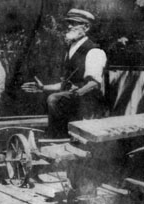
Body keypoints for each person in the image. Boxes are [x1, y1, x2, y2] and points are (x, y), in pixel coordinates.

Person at [22, 8, 107, 138]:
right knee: (52, 98)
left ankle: (60, 138)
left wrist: (77, 92)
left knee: (54, 99)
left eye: (73, 23)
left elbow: (94, 84)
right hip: (74, 100)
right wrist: (43, 88)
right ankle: (57, 137)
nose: (68, 26)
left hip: (87, 104)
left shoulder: (94, 52)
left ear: (86, 27)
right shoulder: (71, 49)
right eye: (68, 23)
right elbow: (65, 85)